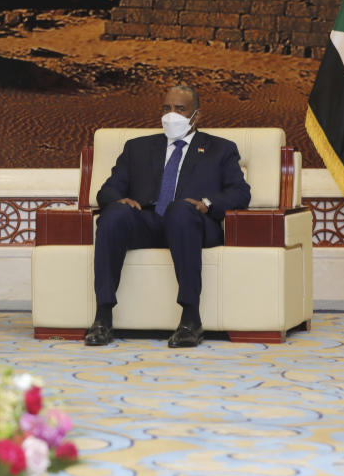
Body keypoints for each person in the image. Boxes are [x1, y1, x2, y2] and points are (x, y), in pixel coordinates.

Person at [84, 85, 251, 349]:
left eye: (180, 109)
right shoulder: (137, 148)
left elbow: (241, 193)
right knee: (114, 214)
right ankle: (103, 318)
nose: (171, 115)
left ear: (197, 115)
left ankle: (190, 320)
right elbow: (108, 189)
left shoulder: (220, 149)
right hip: (147, 220)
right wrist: (119, 200)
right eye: (166, 108)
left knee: (180, 211)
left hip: (191, 223)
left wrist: (208, 203)